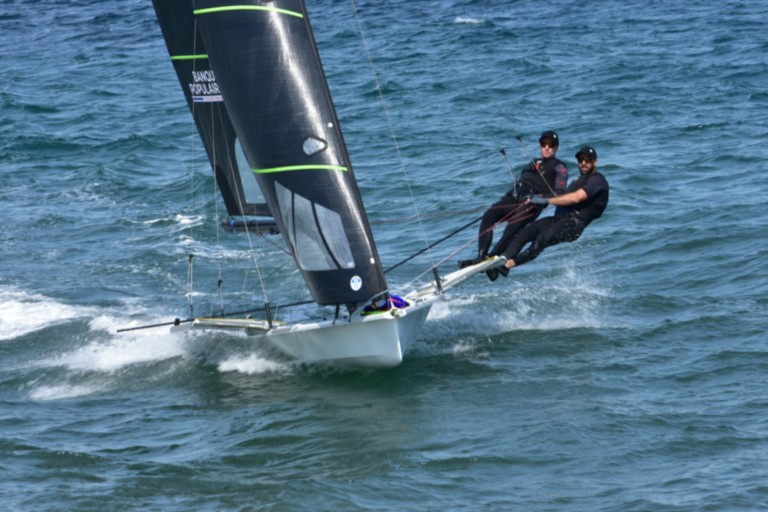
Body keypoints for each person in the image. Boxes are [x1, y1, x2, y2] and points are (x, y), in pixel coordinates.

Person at [491, 145, 609, 279]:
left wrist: (547, 201)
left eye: (587, 160)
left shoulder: (597, 179)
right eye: (581, 160)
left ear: (595, 163)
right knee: (525, 233)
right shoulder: (579, 180)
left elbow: (576, 198)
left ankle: (507, 266)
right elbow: (560, 197)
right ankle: (502, 260)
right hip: (558, 220)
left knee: (540, 240)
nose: (583, 163)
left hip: (573, 224)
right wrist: (537, 198)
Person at [459, 130, 568, 270]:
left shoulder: (559, 167)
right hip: (514, 197)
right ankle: (481, 256)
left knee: (512, 227)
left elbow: (560, 194)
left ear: (556, 147)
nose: (547, 147)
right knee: (489, 215)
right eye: (543, 144)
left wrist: (538, 198)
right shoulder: (534, 162)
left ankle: (492, 259)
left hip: (531, 203)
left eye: (551, 145)